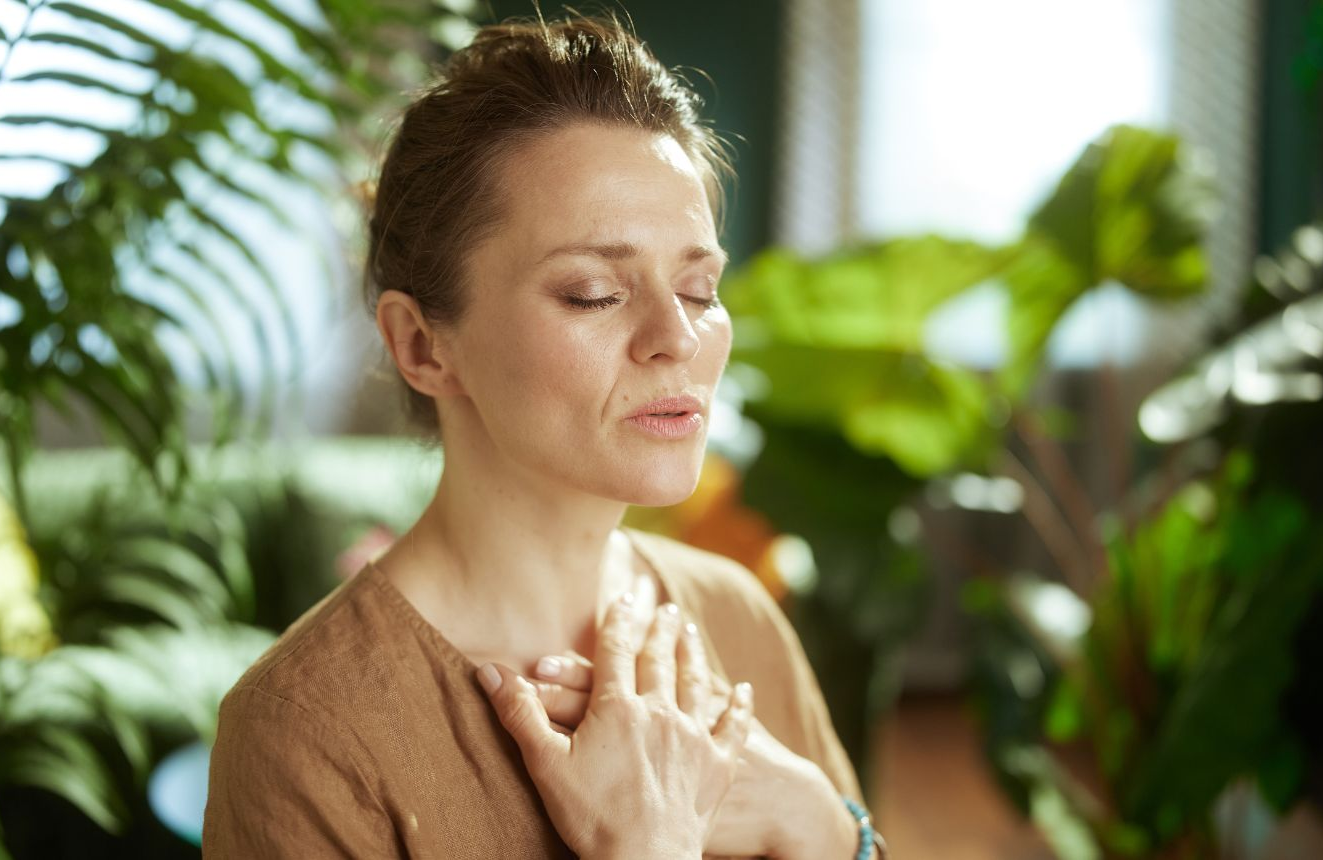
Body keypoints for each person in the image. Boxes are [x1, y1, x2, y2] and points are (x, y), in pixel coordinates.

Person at [202, 9, 887, 859]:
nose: (677, 336)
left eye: (701, 289)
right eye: (595, 292)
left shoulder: (735, 618)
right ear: (422, 344)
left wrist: (818, 821)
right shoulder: (308, 735)